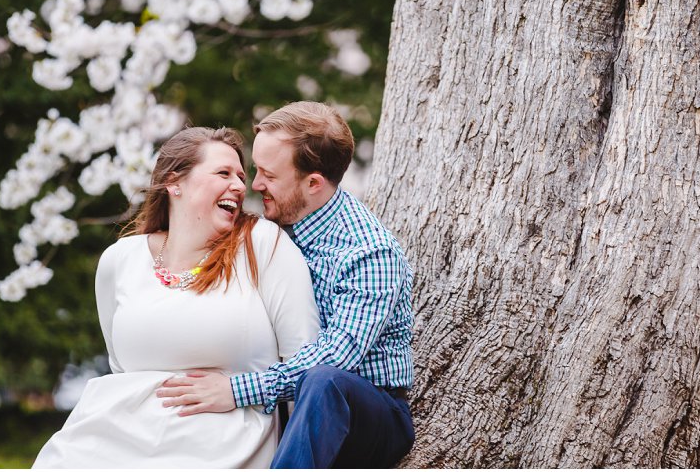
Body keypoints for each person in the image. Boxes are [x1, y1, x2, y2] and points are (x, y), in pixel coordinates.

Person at [33, 127, 320, 468]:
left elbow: (309, 365)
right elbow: (119, 364)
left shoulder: (263, 244)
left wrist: (236, 391)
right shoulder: (121, 259)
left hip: (220, 449)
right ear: (175, 182)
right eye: (223, 173)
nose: (241, 186)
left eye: (241, 177)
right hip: (104, 440)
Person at [157, 102, 415, 468]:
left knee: (324, 381)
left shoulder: (369, 253)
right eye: (256, 170)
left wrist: (236, 389)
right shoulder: (266, 233)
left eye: (269, 175)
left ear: (313, 183)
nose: (255, 184)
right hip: (285, 399)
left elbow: (337, 355)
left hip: (366, 411)